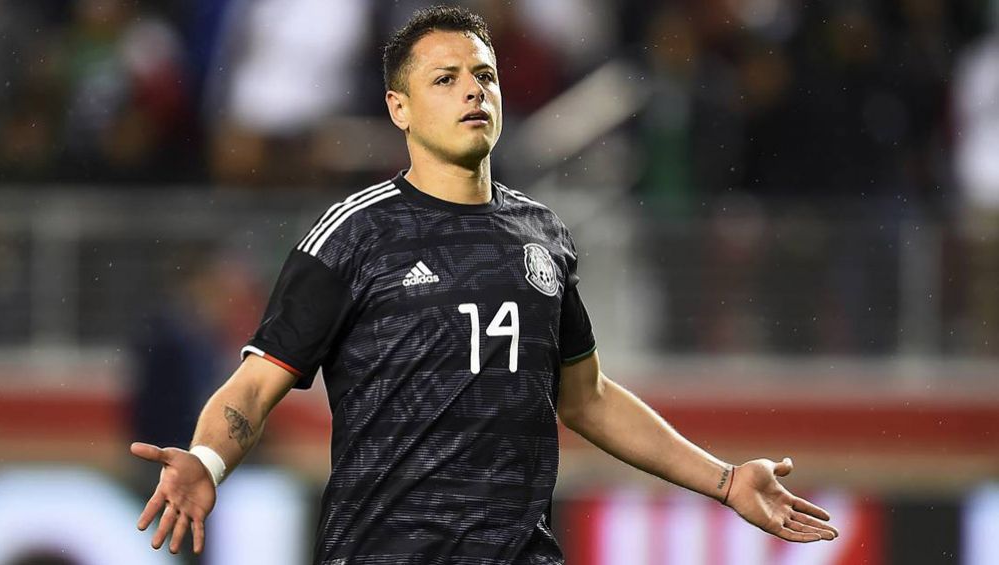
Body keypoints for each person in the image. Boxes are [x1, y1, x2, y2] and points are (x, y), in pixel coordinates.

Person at [131, 6, 839, 563]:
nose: (474, 88)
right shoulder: (353, 234)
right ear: (398, 107)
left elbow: (584, 395)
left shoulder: (544, 237)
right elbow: (255, 386)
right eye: (445, 78)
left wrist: (723, 479)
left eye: (485, 74)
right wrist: (208, 459)